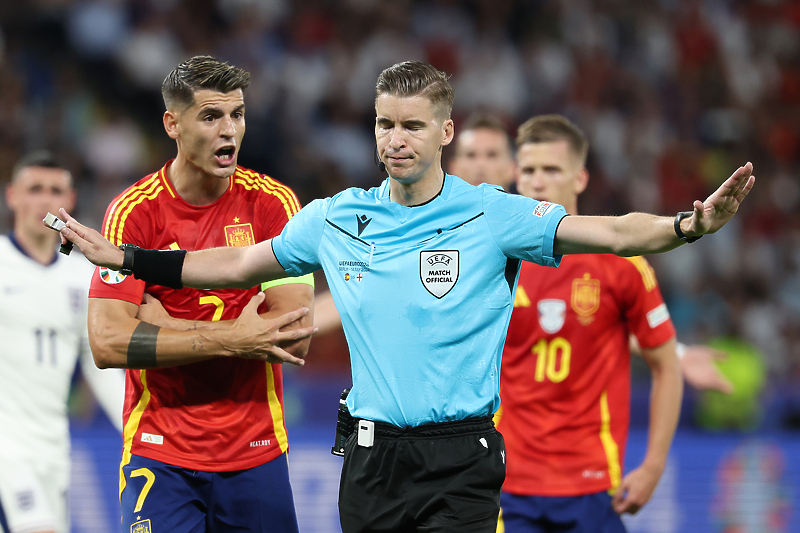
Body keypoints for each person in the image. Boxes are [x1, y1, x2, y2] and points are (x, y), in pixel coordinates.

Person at [55, 60, 755, 533]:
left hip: (461, 457)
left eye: (413, 125)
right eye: (386, 123)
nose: (396, 138)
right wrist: (126, 256)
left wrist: (688, 225)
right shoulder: (338, 215)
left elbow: (608, 230)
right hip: (370, 457)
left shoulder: (494, 213)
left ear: (445, 131)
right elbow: (238, 263)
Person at [82, 56, 316, 533]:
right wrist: (233, 336)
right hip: (159, 449)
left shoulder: (274, 205)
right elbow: (107, 344)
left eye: (238, 114)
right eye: (211, 116)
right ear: (173, 123)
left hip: (255, 452)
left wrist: (160, 322)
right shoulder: (133, 215)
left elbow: (293, 338)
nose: (229, 130)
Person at [449, 112, 734, 394]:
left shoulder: (522, 246)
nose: (481, 168)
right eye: (471, 156)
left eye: (492, 155)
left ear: (510, 169)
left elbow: (614, 242)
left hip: (494, 430)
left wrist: (674, 352)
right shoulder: (432, 239)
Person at [495, 114, 680, 532]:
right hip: (506, 483)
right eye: (528, 170)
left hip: (593, 485)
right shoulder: (494, 261)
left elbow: (667, 366)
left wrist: (652, 467)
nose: (536, 182)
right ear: (514, 175)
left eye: (551, 170)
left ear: (580, 179)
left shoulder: (621, 265)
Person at [0, 151, 124, 533]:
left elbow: (97, 362)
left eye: (55, 190)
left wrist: (135, 427)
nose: (44, 198)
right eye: (34, 188)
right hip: (7, 444)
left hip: (54, 446)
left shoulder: (82, 277)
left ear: (70, 202)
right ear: (12, 197)